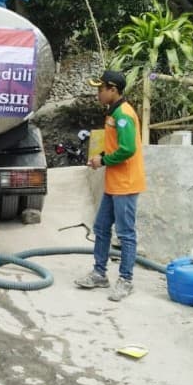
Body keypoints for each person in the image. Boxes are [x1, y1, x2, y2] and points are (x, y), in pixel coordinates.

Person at [74, 70, 146, 302]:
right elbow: (117, 147)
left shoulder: (123, 114)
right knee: (102, 228)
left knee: (125, 234)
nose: (98, 93)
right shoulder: (114, 112)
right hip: (114, 184)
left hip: (125, 183)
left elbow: (127, 150)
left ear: (112, 90)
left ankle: (126, 280)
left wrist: (103, 160)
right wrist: (101, 157)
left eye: (100, 89)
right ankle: (99, 273)